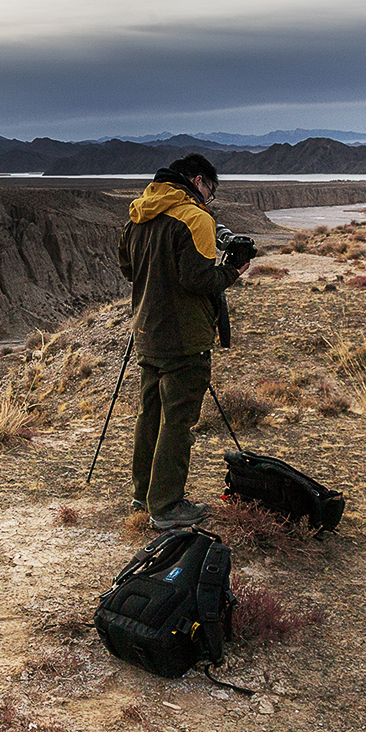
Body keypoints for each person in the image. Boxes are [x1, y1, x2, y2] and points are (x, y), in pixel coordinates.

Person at [118, 153, 250, 529]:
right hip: (185, 338)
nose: (210, 198)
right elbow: (198, 279)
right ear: (197, 180)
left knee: (150, 415)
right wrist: (232, 271)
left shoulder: (137, 215)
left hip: (146, 333)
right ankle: (166, 507)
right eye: (210, 189)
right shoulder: (195, 218)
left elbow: (129, 269)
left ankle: (143, 495)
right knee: (177, 421)